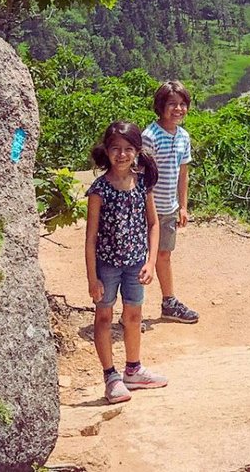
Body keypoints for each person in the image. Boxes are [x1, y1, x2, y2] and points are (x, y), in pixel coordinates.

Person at [85, 121, 169, 403]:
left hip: (135, 264)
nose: (121, 155)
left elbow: (153, 223)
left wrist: (149, 261)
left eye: (128, 149)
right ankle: (110, 376)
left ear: (137, 151)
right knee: (104, 316)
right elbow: (91, 238)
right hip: (106, 265)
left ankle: (133, 370)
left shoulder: (142, 183)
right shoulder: (99, 190)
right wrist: (91, 278)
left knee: (134, 316)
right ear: (106, 151)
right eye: (116, 149)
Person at [143, 80, 200, 323]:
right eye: (172, 104)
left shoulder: (183, 136)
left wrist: (183, 206)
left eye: (182, 104)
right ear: (160, 106)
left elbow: (182, 172)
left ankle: (169, 302)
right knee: (139, 258)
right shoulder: (150, 136)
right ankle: (131, 311)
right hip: (147, 210)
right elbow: (142, 176)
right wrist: (148, 208)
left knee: (164, 255)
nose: (178, 109)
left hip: (169, 208)